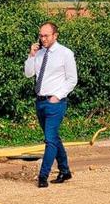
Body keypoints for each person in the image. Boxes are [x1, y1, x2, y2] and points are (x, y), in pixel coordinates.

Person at [24, 22, 78, 188]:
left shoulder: (65, 53)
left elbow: (72, 79)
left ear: (55, 35)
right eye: (41, 35)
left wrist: (58, 96)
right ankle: (65, 170)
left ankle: (43, 176)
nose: (43, 38)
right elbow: (28, 74)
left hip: (55, 103)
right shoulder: (39, 53)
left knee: (49, 140)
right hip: (40, 101)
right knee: (53, 138)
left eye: (46, 35)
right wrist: (31, 55)